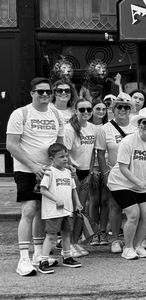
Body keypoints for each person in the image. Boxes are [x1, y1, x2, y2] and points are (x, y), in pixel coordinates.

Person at [7, 77, 65, 276]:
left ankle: (38, 255)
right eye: (40, 92)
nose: (45, 95)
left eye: (48, 92)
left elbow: (59, 145)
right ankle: (23, 258)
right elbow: (11, 145)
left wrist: (60, 167)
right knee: (29, 210)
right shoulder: (20, 113)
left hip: (48, 171)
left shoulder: (56, 114)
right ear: (32, 93)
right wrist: (33, 166)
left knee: (43, 212)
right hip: (26, 169)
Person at [107, 107, 146, 260]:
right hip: (121, 183)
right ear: (139, 124)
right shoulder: (128, 141)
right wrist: (139, 182)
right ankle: (127, 248)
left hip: (143, 184)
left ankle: (137, 245)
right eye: (144, 122)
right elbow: (123, 167)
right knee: (133, 214)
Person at [95, 93, 138, 254]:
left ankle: (132, 239)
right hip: (115, 172)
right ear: (113, 109)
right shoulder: (104, 129)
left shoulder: (136, 126)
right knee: (114, 206)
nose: (122, 109)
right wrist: (105, 174)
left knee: (134, 207)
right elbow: (100, 154)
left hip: (135, 172)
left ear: (131, 109)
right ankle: (115, 239)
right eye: (119, 106)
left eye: (126, 107)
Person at [37, 143, 83, 274]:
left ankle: (67, 257)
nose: (65, 159)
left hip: (67, 210)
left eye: (66, 156)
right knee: (51, 235)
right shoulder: (49, 172)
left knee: (66, 233)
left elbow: (73, 189)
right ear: (52, 159)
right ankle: (43, 260)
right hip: (53, 211)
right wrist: (55, 199)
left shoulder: (68, 172)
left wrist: (78, 203)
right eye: (61, 157)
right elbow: (43, 190)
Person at [64, 99, 97, 257]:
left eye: (88, 109)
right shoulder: (69, 129)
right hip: (72, 173)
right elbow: (66, 154)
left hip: (85, 174)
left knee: (80, 209)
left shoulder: (93, 128)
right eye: (82, 109)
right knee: (71, 210)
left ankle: (75, 242)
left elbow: (92, 154)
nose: (85, 112)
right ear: (75, 111)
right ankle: (68, 244)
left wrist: (89, 173)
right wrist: (74, 174)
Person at [88, 98, 109, 246]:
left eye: (103, 109)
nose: (101, 111)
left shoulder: (108, 126)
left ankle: (103, 231)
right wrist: (90, 171)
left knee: (105, 201)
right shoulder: (86, 126)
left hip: (107, 167)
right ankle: (94, 232)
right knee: (94, 201)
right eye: (97, 109)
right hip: (92, 168)